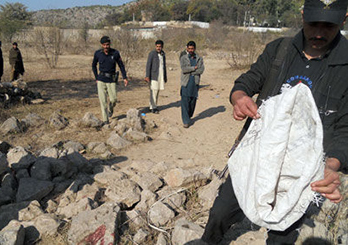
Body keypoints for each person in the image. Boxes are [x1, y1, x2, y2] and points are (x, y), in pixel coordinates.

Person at [200, 0, 348, 244]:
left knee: (283, 236)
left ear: (343, 20)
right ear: (302, 16)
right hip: (258, 158)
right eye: (313, 24)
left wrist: (332, 165)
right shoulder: (279, 49)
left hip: (307, 170)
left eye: (329, 26)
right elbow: (247, 81)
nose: (319, 33)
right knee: (220, 212)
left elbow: (345, 128)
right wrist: (240, 98)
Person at [92, 36, 128, 124]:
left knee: (113, 99)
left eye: (107, 45)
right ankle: (105, 120)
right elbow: (93, 65)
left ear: (109, 44)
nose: (105, 47)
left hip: (111, 79)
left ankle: (110, 109)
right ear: (101, 45)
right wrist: (96, 77)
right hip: (101, 79)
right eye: (104, 45)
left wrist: (124, 77)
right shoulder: (98, 53)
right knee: (103, 101)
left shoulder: (115, 53)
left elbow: (121, 65)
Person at [179, 41, 204, 128]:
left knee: (192, 101)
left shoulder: (199, 59)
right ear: (187, 48)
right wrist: (194, 68)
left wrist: (192, 72)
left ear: (194, 49)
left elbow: (201, 70)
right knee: (185, 101)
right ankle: (185, 121)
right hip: (186, 83)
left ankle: (188, 116)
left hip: (195, 83)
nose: (190, 50)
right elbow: (184, 69)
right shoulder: (183, 58)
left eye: (192, 48)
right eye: (189, 48)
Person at [145, 40, 167, 114]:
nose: (158, 48)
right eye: (157, 46)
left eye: (160, 46)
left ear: (162, 47)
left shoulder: (163, 54)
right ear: (155, 46)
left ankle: (154, 105)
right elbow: (148, 65)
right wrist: (147, 76)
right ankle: (152, 107)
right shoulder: (152, 54)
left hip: (160, 75)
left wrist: (165, 77)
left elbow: (164, 66)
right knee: (153, 90)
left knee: (157, 91)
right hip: (153, 75)